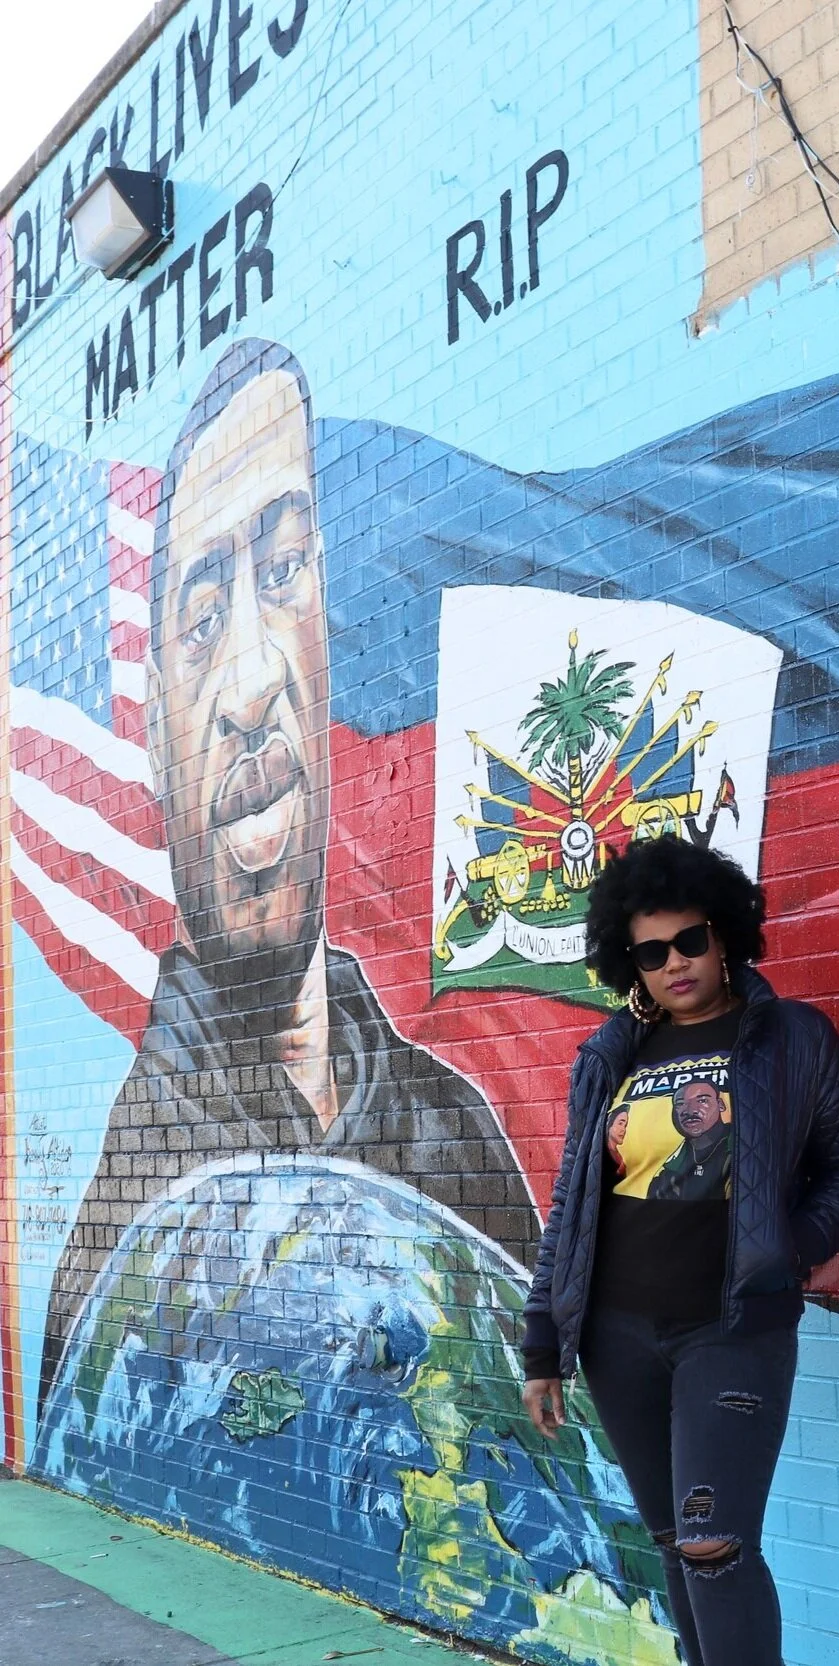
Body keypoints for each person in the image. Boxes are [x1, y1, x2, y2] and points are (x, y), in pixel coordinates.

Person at [40, 339, 539, 1405]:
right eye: (202, 620)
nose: (251, 678)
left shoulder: (456, 1140)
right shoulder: (125, 1248)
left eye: (284, 572)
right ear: (160, 744)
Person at [522, 833, 839, 1666]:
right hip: (619, 1338)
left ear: (723, 934)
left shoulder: (790, 1039)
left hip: (732, 1330)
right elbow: (571, 1209)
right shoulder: (610, 1057)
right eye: (651, 952)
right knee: (677, 1545)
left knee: (716, 1544)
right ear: (629, 963)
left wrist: (791, 1251)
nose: (675, 962)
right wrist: (544, 1343)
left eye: (689, 939)